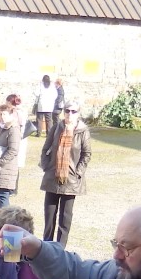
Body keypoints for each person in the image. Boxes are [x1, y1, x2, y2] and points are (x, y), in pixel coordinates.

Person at [38, 102, 91, 243]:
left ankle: (61, 247)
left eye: (73, 111)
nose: (69, 114)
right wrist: (46, 166)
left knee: (65, 217)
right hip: (53, 177)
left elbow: (86, 154)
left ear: (78, 113)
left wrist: (78, 172)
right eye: (67, 111)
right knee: (49, 215)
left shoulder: (83, 131)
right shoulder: (57, 127)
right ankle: (47, 245)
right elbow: (45, 149)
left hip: (71, 179)